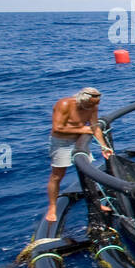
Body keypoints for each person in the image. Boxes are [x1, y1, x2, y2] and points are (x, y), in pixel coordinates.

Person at [46, 87, 113, 223]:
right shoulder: (64, 104)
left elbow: (95, 126)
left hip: (80, 141)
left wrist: (103, 146)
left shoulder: (92, 106)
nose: (93, 107)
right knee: (57, 175)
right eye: (90, 105)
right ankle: (52, 207)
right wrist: (84, 129)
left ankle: (96, 203)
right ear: (82, 100)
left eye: (95, 105)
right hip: (61, 142)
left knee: (88, 172)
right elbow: (57, 127)